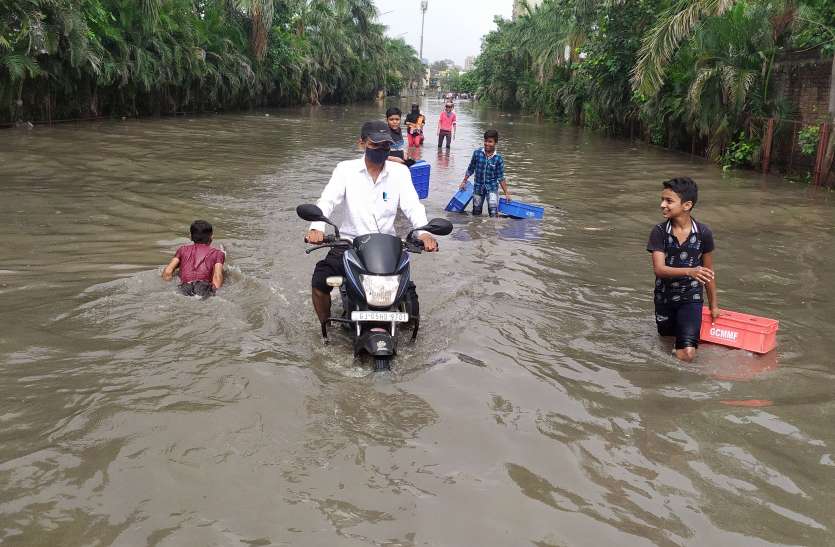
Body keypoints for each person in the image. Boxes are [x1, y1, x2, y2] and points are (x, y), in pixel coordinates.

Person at [306, 120, 439, 334]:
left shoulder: (400, 173)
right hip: (350, 244)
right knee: (319, 282)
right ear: (362, 143)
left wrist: (424, 233)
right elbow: (327, 200)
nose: (381, 150)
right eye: (375, 145)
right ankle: (326, 330)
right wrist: (317, 227)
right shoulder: (345, 170)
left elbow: (413, 206)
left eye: (385, 146)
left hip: (388, 249)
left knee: (412, 306)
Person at [646, 177, 719, 362]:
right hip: (664, 298)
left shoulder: (704, 233)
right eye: (662, 200)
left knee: (686, 352)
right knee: (666, 343)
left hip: (691, 298)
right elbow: (659, 270)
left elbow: (708, 272)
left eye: (669, 201)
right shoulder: (659, 232)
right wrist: (690, 271)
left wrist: (713, 306)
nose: (663, 205)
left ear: (687, 205)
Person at [162, 220, 225, 297]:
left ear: (190, 237)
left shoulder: (182, 250)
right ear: (211, 237)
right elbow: (217, 277)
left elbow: (168, 272)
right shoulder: (218, 253)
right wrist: (216, 292)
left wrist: (168, 283)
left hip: (185, 287)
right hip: (204, 288)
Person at [459, 129, 510, 217]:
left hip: (492, 188)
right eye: (485, 141)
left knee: (493, 212)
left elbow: (501, 177)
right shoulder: (477, 153)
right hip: (478, 188)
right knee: (476, 213)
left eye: (490, 142)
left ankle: (491, 230)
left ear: (495, 143)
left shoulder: (498, 158)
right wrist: (464, 182)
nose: (487, 144)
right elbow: (470, 169)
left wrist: (506, 193)